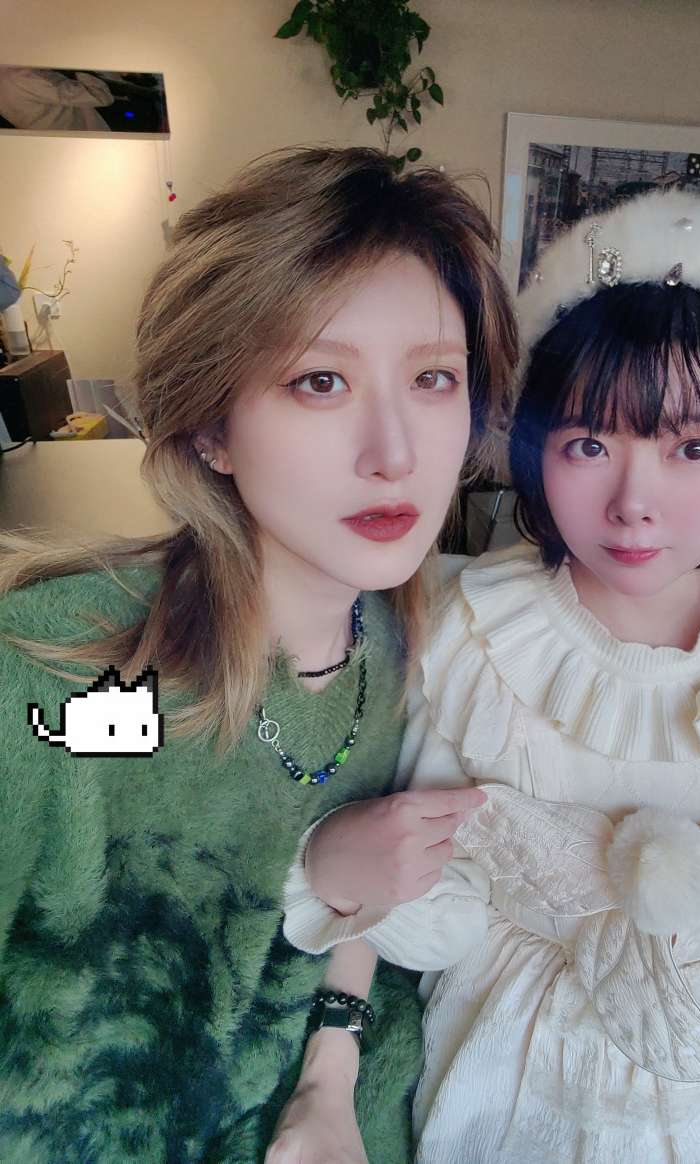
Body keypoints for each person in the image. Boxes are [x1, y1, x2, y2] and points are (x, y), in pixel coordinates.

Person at [284, 190, 700, 1163]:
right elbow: (411, 890)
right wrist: (328, 1074)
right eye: (589, 444)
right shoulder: (462, 630)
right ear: (535, 447)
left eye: (693, 447)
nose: (635, 503)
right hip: (513, 1087)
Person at [0, 146, 515, 1163]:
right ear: (211, 430)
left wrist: (331, 1072)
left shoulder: (429, 645)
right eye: (320, 381)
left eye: (433, 378)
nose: (396, 453)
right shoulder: (51, 672)